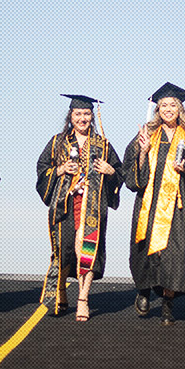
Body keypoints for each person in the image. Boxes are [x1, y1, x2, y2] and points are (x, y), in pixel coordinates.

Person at [122, 83, 185, 325]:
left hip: (177, 207)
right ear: (157, 109)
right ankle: (144, 292)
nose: (168, 109)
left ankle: (168, 305)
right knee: (145, 251)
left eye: (173, 105)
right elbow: (130, 173)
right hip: (148, 203)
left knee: (174, 255)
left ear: (180, 109)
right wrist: (143, 151)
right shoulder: (146, 136)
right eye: (164, 105)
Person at [37, 95, 123, 321]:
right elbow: (42, 168)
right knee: (65, 251)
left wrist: (110, 171)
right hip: (65, 205)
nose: (82, 118)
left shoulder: (102, 145)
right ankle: (62, 291)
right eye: (78, 114)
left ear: (92, 117)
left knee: (86, 251)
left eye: (86, 114)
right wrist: (60, 169)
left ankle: (83, 298)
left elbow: (119, 172)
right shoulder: (58, 142)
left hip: (92, 206)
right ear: (70, 116)